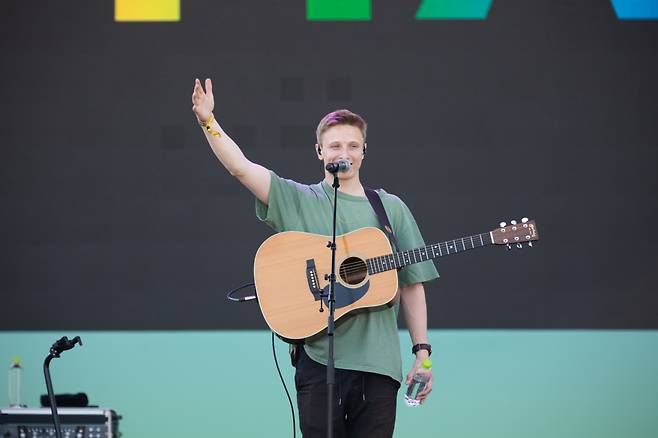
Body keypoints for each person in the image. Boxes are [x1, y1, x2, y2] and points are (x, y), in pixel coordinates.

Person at [192, 78, 439, 437]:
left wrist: (422, 354)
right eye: (335, 144)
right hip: (320, 363)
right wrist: (208, 121)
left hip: (380, 366)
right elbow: (241, 168)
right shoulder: (299, 199)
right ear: (319, 151)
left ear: (364, 151)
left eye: (354, 145)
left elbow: (413, 283)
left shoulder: (390, 209)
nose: (345, 152)